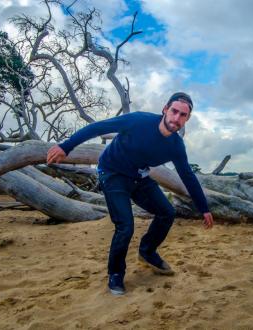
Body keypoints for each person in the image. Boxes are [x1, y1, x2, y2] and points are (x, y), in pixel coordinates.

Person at [47, 92, 214, 295]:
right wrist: (66, 146)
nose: (176, 118)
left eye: (182, 115)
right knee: (125, 225)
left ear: (187, 119)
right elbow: (99, 127)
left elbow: (187, 176)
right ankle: (116, 274)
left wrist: (203, 208)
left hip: (139, 178)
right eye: (174, 111)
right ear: (165, 109)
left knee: (167, 213)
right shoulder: (138, 121)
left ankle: (147, 251)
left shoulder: (176, 146)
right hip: (112, 173)